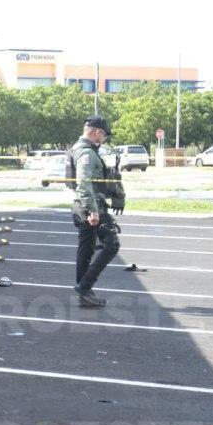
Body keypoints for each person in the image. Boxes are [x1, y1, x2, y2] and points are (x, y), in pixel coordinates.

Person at [68, 115, 124, 307]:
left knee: (86, 249)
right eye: (104, 135)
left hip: (83, 205)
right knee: (111, 244)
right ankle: (85, 287)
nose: (105, 139)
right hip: (92, 206)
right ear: (96, 132)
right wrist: (93, 210)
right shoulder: (87, 153)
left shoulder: (81, 149)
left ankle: (84, 292)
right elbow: (83, 183)